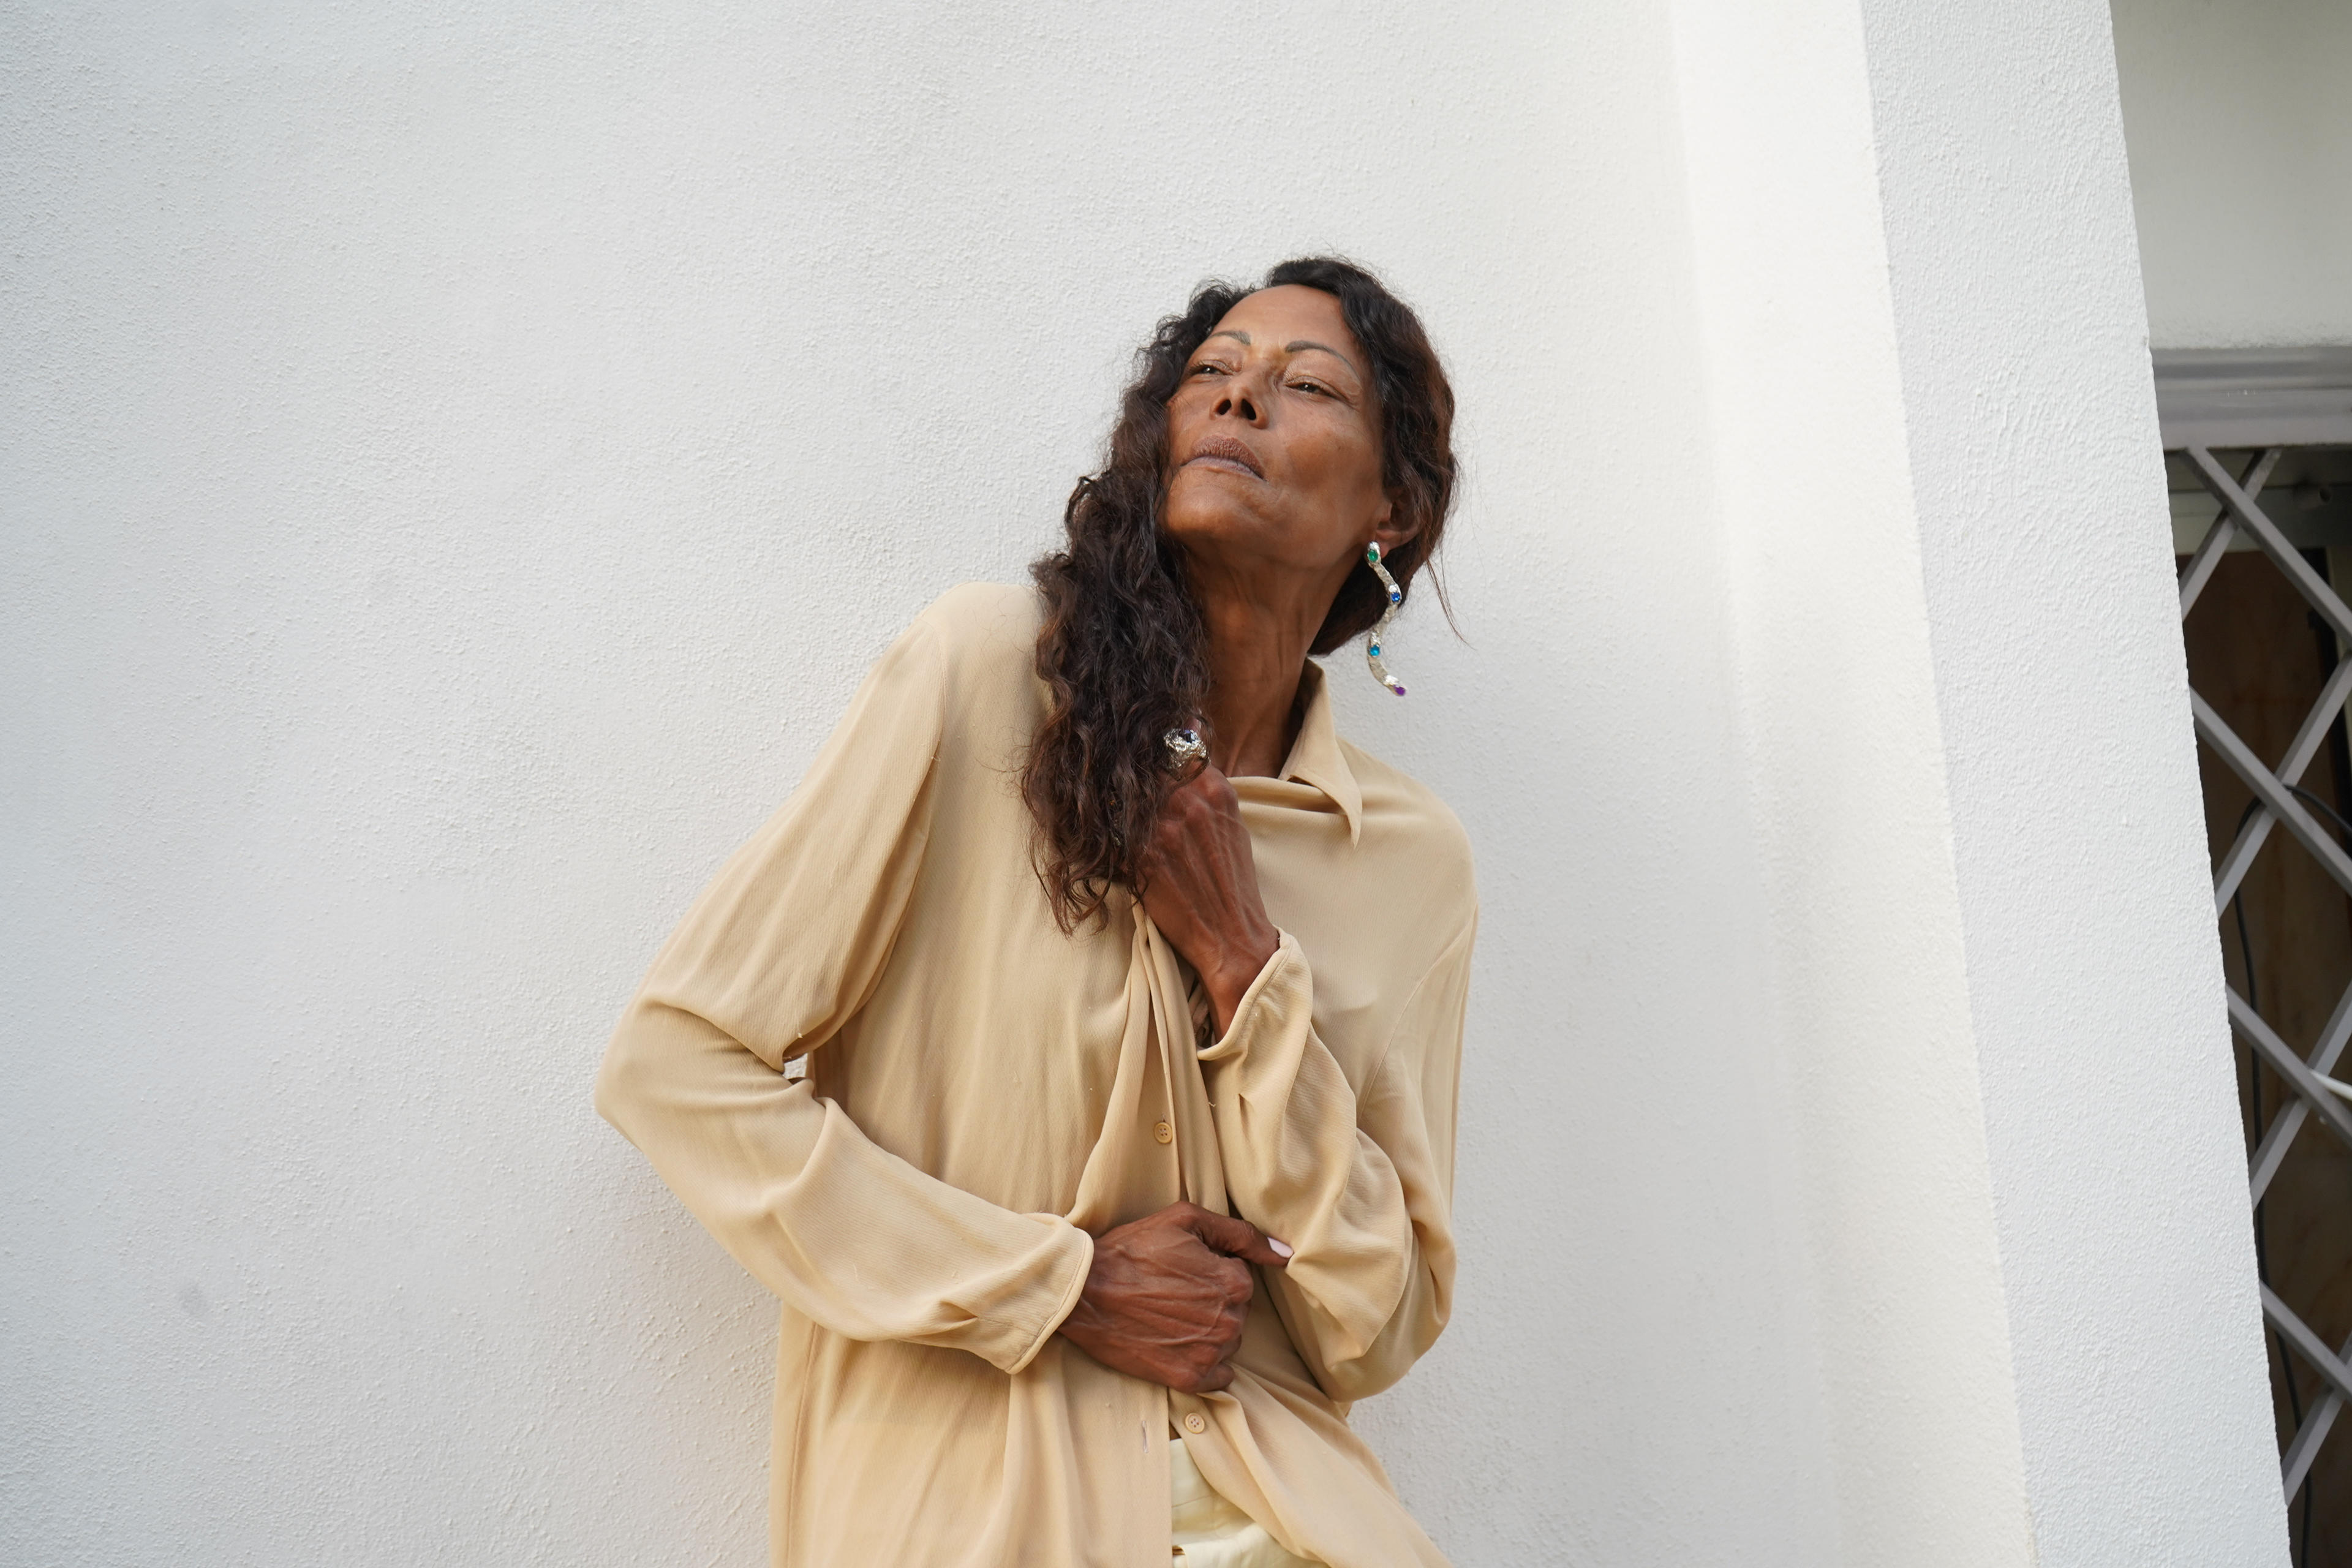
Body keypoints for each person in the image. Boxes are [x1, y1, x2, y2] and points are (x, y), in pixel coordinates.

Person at [596, 255, 1477, 1567]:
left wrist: (1245, 960)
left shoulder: (1411, 862)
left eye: (1305, 386)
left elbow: (1375, 1325)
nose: (1239, 399)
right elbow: (674, 1067)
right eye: (1211, 373)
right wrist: (1061, 1285)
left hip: (1294, 1513)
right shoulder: (985, 678)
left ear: (1392, 508)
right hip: (979, 1517)